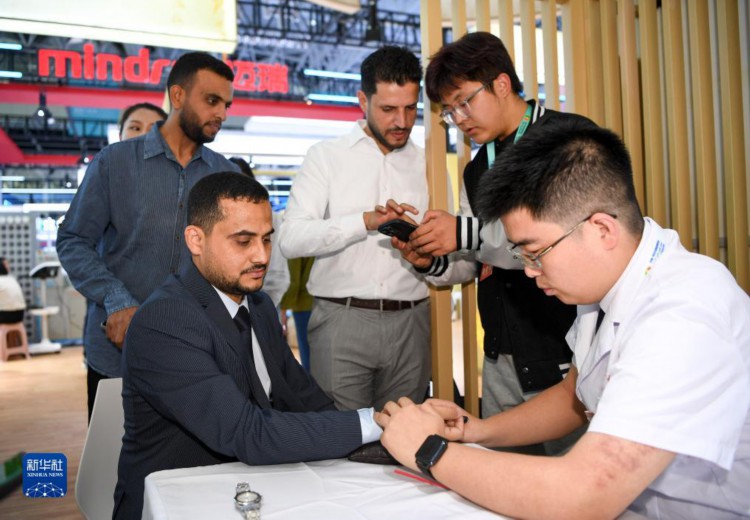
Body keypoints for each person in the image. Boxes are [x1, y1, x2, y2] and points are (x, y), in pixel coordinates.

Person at [377, 121, 750, 519]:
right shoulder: (605, 287)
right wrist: (474, 429)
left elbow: (583, 496)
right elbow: (574, 394)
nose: (529, 270)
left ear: (602, 229)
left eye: (535, 251)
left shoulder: (684, 311)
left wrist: (430, 451)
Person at [113, 172, 381, 519]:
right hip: (181, 500)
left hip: (252, 485)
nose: (262, 256)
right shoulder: (165, 321)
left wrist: (376, 436)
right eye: (243, 241)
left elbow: (303, 397)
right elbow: (247, 431)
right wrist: (373, 423)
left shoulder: (259, 305)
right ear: (196, 240)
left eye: (267, 240)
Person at [394, 32, 594, 453]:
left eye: (464, 102)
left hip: (564, 348)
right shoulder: (476, 168)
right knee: (504, 472)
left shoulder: (567, 139)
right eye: (449, 111)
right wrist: (430, 260)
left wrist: (462, 232)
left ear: (501, 84)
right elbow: (477, 258)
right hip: (502, 354)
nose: (459, 118)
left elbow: (562, 241)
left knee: (570, 470)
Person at [56, 51, 240, 420]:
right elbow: (73, 239)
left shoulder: (226, 177)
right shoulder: (114, 163)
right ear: (178, 96)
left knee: (188, 456)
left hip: (195, 357)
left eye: (226, 104)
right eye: (211, 100)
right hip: (117, 354)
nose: (221, 113)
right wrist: (116, 299)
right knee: (113, 453)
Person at [279, 46, 438, 411]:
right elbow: (291, 238)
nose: (401, 121)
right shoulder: (326, 157)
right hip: (341, 322)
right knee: (341, 436)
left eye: (410, 108)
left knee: (406, 434)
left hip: (412, 323)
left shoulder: (427, 163)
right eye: (388, 109)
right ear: (362, 100)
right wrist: (363, 222)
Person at [229, 156, 289, 308]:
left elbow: (278, 275)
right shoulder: (215, 220)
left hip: (260, 306)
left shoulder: (272, 220)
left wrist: (259, 311)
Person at [280, 256, 314, 370]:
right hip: (327, 303)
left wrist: (284, 308)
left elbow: (293, 281)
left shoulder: (297, 247)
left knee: (307, 356)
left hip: (304, 305)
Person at [0, 257, 26, 324]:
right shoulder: (11, 279)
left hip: (6, 315)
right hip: (20, 314)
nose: (8, 266)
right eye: (6, 264)